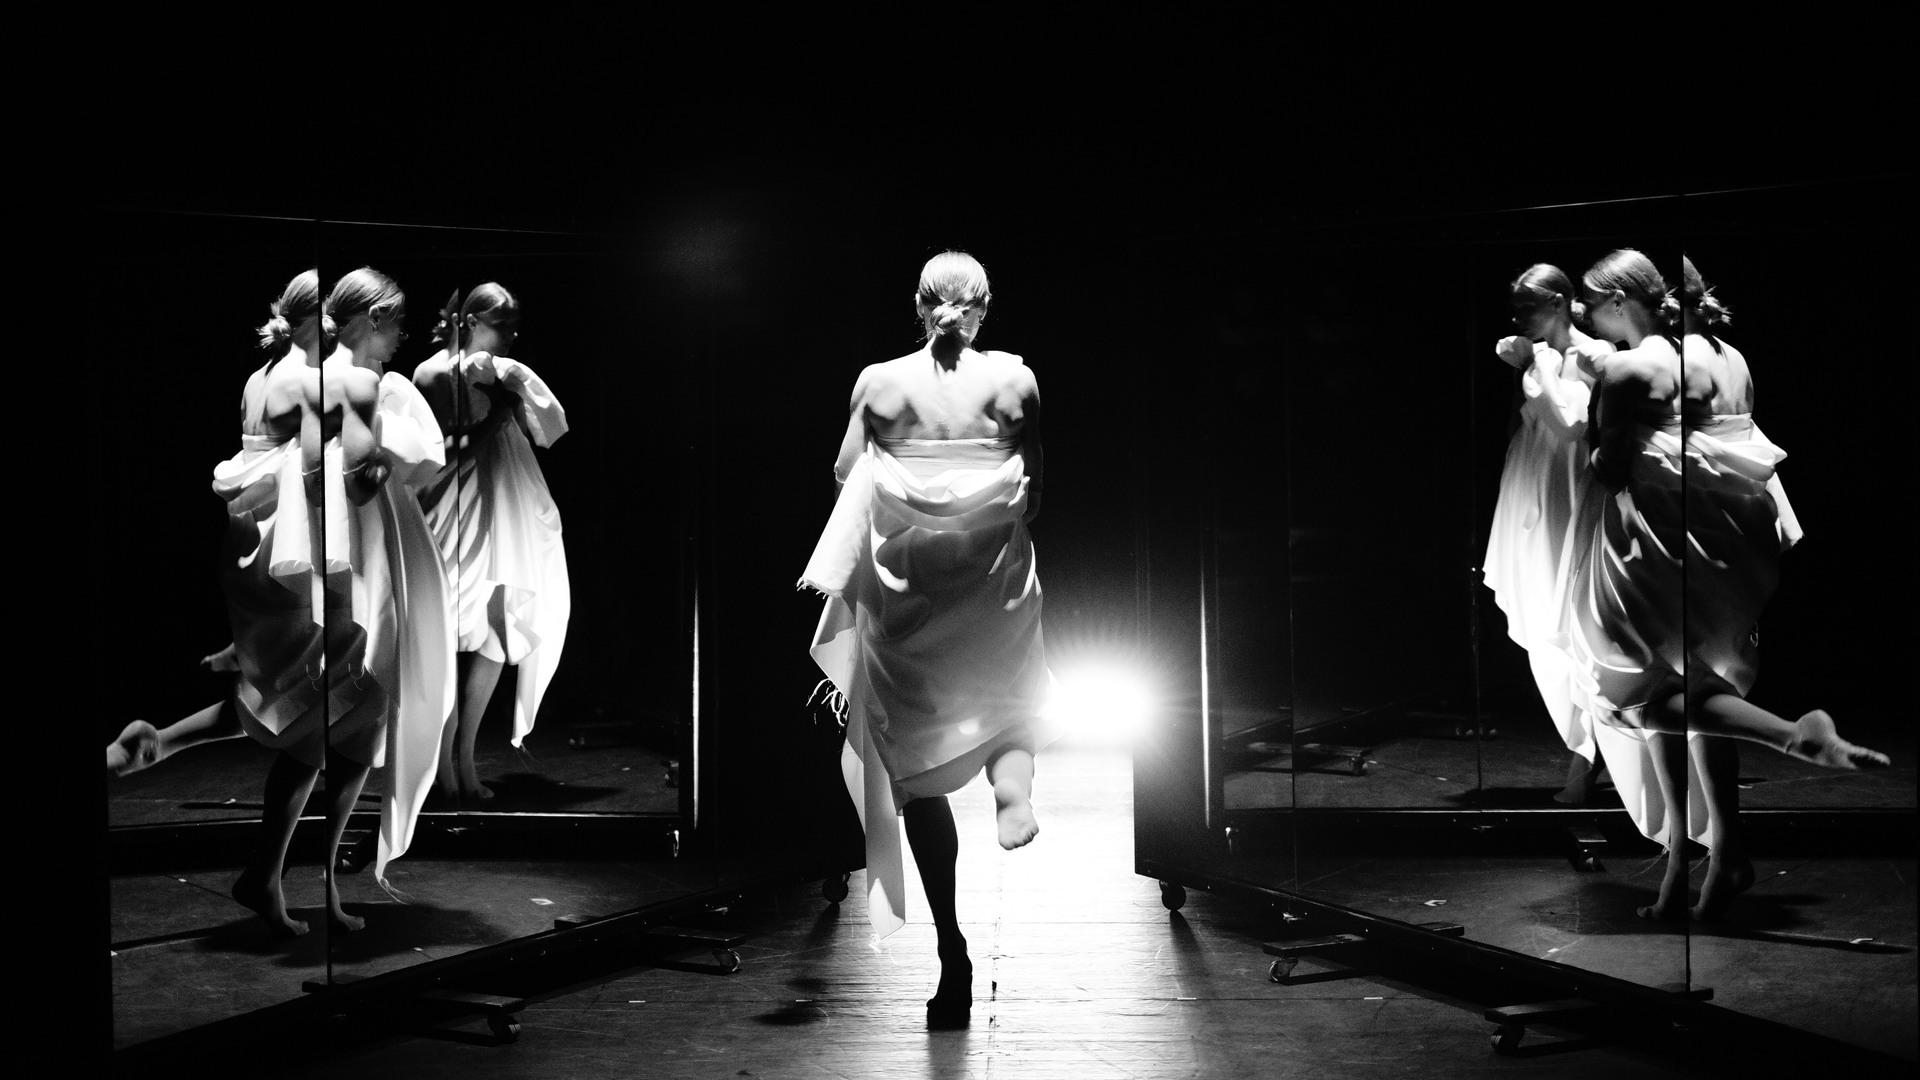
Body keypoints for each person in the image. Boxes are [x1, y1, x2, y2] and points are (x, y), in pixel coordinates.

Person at [1560, 249, 1887, 921]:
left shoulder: (1629, 368)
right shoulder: (1729, 356)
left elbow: (1610, 469)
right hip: (1735, 540)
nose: (1590, 319)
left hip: (1664, 541)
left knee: (1641, 697)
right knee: (1702, 692)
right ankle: (1705, 861)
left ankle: (1798, 737)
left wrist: (1591, 404)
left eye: (1593, 306)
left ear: (1619, 302)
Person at [801, 251, 1051, 1028]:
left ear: (919, 305)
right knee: (1008, 704)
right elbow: (1034, 489)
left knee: (908, 766)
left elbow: (846, 471)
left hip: (907, 590)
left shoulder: (879, 382)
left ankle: (951, 944)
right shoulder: (1016, 380)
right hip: (987, 582)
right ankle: (1013, 790)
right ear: (983, 308)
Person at [210, 267, 453, 935]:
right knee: (327, 711)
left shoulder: (275, 375)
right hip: (301, 553)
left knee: (346, 716)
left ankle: (282, 878)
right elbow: (334, 475)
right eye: (390, 322)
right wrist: (387, 455)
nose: (394, 335)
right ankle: (270, 876)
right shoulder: (318, 382)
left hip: (274, 544)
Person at [413, 284, 570, 803]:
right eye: (503, 322)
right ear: (472, 319)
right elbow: (441, 458)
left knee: (498, 634)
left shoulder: (499, 371)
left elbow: (531, 433)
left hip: (506, 504)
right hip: (459, 507)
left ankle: (465, 754)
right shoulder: (435, 373)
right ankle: (442, 766)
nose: (513, 333)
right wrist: (500, 412)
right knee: (450, 637)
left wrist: (515, 406)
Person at [1483, 265, 1610, 803]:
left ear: (1559, 304)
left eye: (1526, 308)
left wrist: (1534, 357)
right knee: (1539, 618)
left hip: (1565, 488)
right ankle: (1586, 757)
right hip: (1530, 483)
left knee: (1565, 622)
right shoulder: (1540, 351)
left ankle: (1586, 762)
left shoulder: (1590, 356)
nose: (1517, 320)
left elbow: (1571, 422)